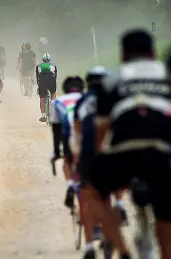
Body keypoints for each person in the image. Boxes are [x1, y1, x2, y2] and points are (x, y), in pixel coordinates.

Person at [86, 29, 171, 259]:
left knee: (94, 193)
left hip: (124, 150)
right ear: (153, 53)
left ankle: (123, 252)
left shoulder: (111, 79)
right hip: (162, 150)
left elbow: (101, 131)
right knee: (166, 210)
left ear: (122, 56)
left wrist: (92, 161)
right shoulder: (166, 73)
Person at [72, 67, 126, 259]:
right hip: (113, 150)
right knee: (110, 192)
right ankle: (120, 205)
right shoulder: (117, 97)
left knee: (88, 198)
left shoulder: (83, 101)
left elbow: (77, 133)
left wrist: (76, 160)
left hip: (89, 152)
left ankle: (88, 247)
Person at [50, 76, 83, 208]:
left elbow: (56, 129)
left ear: (64, 89)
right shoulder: (87, 97)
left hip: (68, 134)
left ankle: (70, 185)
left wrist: (57, 151)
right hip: (86, 133)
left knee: (67, 161)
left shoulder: (58, 101)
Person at [36, 53, 57, 122]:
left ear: (42, 60)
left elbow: (37, 77)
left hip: (42, 83)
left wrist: (39, 86)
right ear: (49, 60)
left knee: (42, 99)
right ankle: (54, 112)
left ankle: (43, 116)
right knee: (53, 95)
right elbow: (55, 77)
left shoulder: (38, 66)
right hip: (52, 83)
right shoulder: (54, 66)